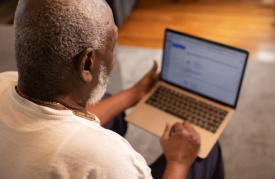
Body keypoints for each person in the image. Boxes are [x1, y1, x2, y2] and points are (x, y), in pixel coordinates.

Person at [0, 0, 224, 178]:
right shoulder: (106, 159)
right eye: (112, 45)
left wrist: (136, 92)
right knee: (205, 150)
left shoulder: (5, 82)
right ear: (87, 63)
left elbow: (53, 119)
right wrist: (178, 161)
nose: (114, 55)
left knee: (110, 107)